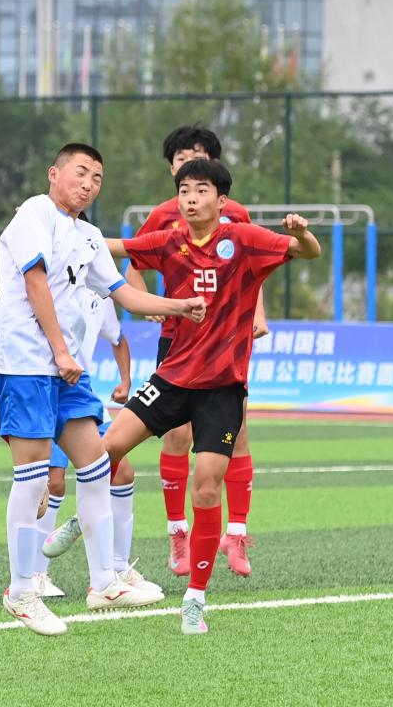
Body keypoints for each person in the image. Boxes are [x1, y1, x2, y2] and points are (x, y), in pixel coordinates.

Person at [0, 142, 206, 636]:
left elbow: (123, 293)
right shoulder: (35, 212)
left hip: (64, 369)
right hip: (25, 361)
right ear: (54, 173)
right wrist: (61, 351)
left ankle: (104, 581)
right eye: (81, 173)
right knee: (33, 477)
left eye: (97, 179)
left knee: (96, 465)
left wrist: (178, 306)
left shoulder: (88, 236)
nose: (88, 184)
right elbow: (36, 283)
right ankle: (20, 591)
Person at [103, 159, 320, 634]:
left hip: (222, 388)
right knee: (103, 452)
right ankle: (88, 524)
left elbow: (310, 252)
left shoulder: (243, 239)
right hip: (173, 377)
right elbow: (114, 247)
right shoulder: (168, 240)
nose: (190, 198)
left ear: (222, 200)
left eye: (201, 190)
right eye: (184, 190)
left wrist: (301, 233)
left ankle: (195, 598)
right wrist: (58, 230)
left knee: (205, 486)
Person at [115, 125, 267, 578]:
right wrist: (152, 305)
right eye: (181, 159)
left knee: (238, 433)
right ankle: (177, 532)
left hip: (228, 342)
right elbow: (133, 264)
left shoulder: (235, 215)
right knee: (177, 435)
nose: (189, 166)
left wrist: (258, 315)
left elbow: (252, 268)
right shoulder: (163, 217)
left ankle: (236, 534)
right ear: (172, 169)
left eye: (198, 157)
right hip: (179, 341)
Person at [34, 292, 162, 605]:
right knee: (53, 482)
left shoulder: (101, 292)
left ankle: (118, 568)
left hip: (82, 390)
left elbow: (118, 338)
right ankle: (36, 575)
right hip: (49, 386)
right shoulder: (55, 284)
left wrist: (125, 380)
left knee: (122, 473)